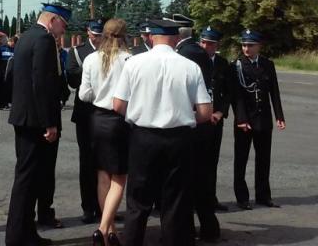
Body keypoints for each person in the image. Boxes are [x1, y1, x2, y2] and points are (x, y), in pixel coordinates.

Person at [112, 19, 212, 246]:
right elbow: (205, 112)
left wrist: (139, 113)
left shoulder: (134, 63)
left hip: (143, 137)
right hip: (179, 138)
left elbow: (118, 105)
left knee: (138, 201)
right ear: (176, 38)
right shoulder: (190, 66)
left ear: (151, 37)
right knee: (175, 201)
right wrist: (186, 117)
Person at [6, 3, 71, 246]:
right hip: (35, 122)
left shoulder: (26, 37)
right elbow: (42, 84)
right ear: (53, 20)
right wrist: (49, 123)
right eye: (63, 25)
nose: (63, 31)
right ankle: (16, 237)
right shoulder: (43, 40)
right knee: (27, 180)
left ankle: (26, 233)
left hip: (25, 117)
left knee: (30, 179)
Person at [78, 18, 131, 246]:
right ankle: (103, 228)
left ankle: (109, 230)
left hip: (97, 119)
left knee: (102, 176)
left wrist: (100, 93)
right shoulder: (129, 60)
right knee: (119, 177)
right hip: (120, 120)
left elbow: (83, 94)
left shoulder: (91, 58)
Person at [232, 29, 285, 210]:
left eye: (250, 45)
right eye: (244, 45)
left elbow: (274, 91)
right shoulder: (237, 65)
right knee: (241, 160)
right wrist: (241, 118)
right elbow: (236, 96)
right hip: (245, 121)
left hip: (263, 119)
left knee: (263, 160)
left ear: (259, 46)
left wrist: (279, 115)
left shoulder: (267, 64)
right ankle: (242, 198)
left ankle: (263, 196)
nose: (246, 48)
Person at [65, 19, 105, 224]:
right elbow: (72, 79)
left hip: (106, 113)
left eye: (100, 35)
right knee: (87, 162)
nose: (97, 38)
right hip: (85, 114)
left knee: (105, 162)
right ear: (88, 32)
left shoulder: (110, 51)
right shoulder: (77, 52)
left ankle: (104, 207)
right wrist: (92, 71)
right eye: (94, 34)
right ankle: (88, 207)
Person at [199, 27, 232, 213]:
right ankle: (193, 199)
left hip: (215, 121)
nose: (205, 46)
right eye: (203, 42)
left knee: (212, 162)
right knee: (195, 161)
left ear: (217, 45)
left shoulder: (222, 63)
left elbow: (228, 92)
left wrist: (220, 112)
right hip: (197, 120)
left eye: (210, 43)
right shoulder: (193, 61)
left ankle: (210, 199)